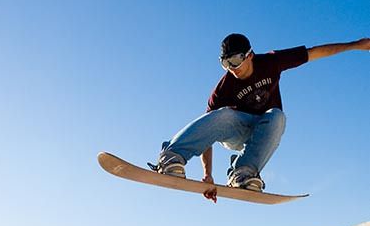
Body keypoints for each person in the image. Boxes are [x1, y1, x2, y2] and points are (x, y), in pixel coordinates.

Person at [149, 34, 370, 201]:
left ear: (249, 55)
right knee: (223, 114)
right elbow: (207, 130)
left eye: (235, 61)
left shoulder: (271, 62)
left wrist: (357, 45)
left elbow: (315, 52)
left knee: (277, 116)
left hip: (263, 131)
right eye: (225, 63)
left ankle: (243, 173)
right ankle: (172, 156)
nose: (232, 68)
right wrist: (208, 175)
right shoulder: (223, 88)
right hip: (236, 131)